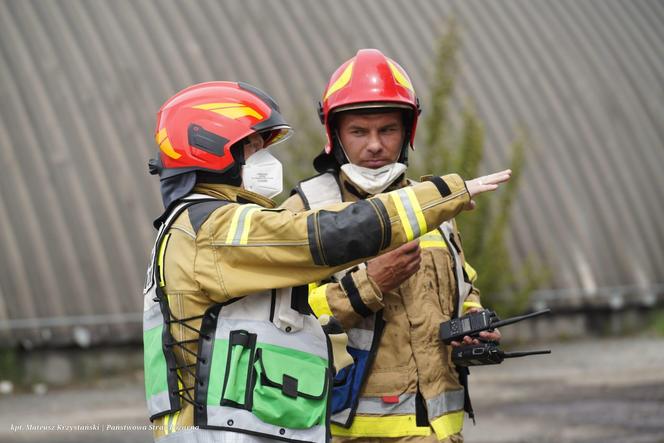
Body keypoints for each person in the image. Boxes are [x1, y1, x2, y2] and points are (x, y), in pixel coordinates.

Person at [143, 80, 510, 442]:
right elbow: (329, 236)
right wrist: (442, 196)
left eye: (388, 129)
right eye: (253, 147)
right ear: (210, 150)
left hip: (232, 427)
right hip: (220, 432)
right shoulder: (212, 230)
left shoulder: (207, 224)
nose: (265, 160)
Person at [281, 49, 501, 443]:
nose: (375, 145)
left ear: (407, 132)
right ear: (335, 135)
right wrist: (369, 285)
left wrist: (474, 320)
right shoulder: (305, 211)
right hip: (355, 433)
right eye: (359, 132)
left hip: (440, 431)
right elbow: (282, 322)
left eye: (387, 130)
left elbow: (463, 284)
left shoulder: (435, 207)